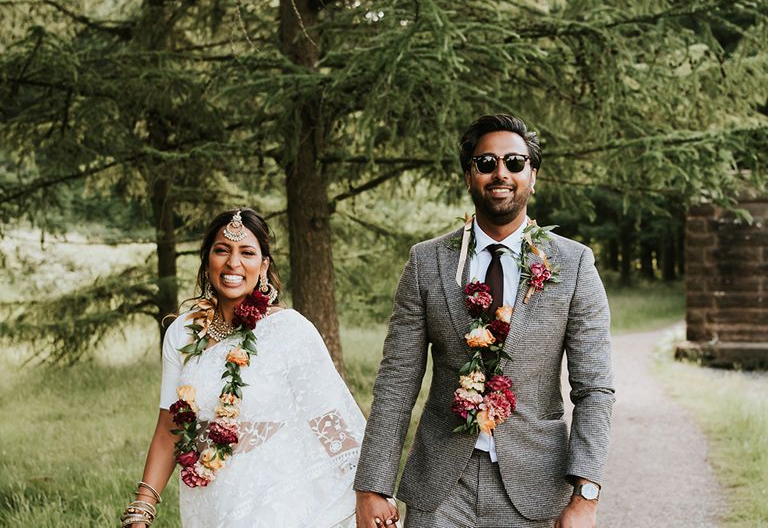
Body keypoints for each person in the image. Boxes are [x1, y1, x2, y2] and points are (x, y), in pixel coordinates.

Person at [354, 114, 614, 528]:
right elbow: (397, 381)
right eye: (486, 162)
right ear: (468, 175)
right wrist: (371, 486)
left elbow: (595, 388)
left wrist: (586, 495)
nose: (501, 173)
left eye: (514, 162)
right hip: (439, 490)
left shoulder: (574, 263)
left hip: (535, 488)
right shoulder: (426, 262)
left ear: (533, 175)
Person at [121, 208, 368, 528]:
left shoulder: (290, 329)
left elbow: (330, 421)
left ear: (263, 265)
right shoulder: (182, 334)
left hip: (281, 499)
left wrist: (369, 494)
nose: (233, 263)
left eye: (247, 252)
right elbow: (170, 428)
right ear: (207, 259)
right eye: (222, 250)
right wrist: (143, 506)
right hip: (210, 500)